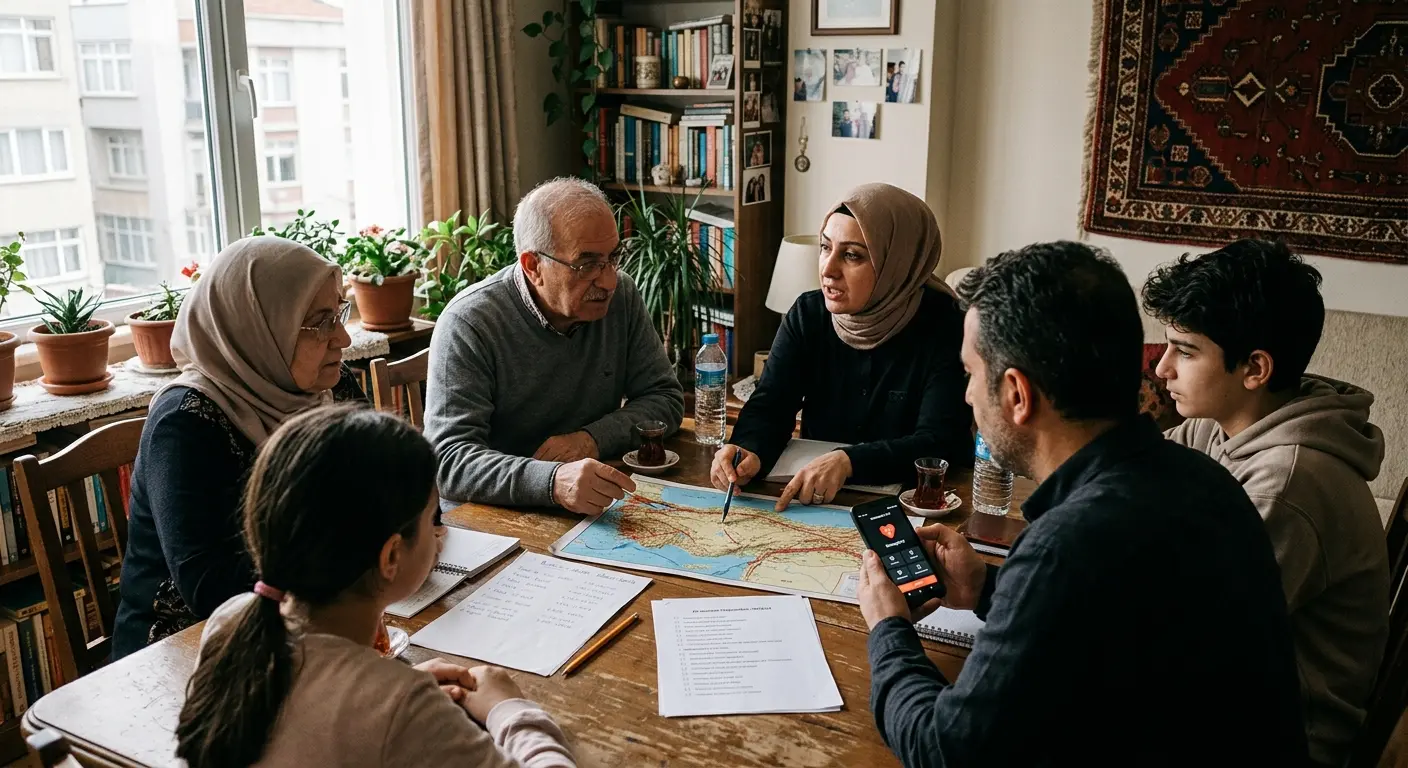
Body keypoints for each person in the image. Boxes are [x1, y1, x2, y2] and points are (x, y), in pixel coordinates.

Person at [858, 241, 1307, 766]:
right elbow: (1107, 627)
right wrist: (987, 587)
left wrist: (888, 629)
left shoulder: (1067, 546)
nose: (966, 396)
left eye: (971, 374)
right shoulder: (1205, 481)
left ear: (1017, 396)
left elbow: (946, 751)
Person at [176, 406, 576, 768]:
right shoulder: (402, 708)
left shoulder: (231, 622)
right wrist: (508, 709)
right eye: (429, 519)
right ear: (390, 557)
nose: (439, 533)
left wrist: (388, 683)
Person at [1142, 239, 1387, 767]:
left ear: (1255, 368)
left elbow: (1185, 639)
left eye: (1184, 351)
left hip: (1278, 739)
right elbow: (1130, 482)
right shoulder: (1217, 425)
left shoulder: (1288, 485)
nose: (1162, 370)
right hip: (1229, 699)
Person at [114, 236, 380, 659]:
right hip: (188, 651)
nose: (343, 339)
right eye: (321, 322)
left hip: (318, 621)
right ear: (258, 328)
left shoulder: (328, 384)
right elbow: (212, 588)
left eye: (339, 314)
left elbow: (402, 486)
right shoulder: (185, 422)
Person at [426, 178, 683, 516]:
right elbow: (450, 461)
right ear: (533, 266)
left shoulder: (622, 295)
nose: (607, 281)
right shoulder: (470, 322)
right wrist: (552, 481)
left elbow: (665, 398)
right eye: (587, 264)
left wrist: (591, 439)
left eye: (612, 258)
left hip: (591, 503)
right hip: (494, 517)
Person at [712, 184, 971, 510]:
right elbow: (770, 406)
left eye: (852, 255)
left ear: (897, 262)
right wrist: (747, 449)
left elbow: (939, 442)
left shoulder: (947, 326)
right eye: (825, 247)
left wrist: (848, 461)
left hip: (922, 508)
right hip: (819, 503)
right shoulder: (808, 314)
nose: (828, 269)